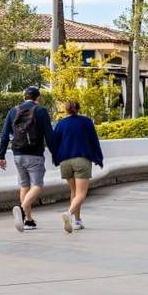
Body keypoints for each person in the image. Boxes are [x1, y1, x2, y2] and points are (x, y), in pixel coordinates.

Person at [0, 86, 56, 233]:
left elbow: (4, 135)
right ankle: (22, 210)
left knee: (24, 186)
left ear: (24, 97)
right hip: (34, 155)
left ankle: (28, 221)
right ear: (38, 98)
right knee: (37, 186)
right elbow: (49, 135)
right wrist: (55, 154)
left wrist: (1, 156)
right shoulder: (41, 111)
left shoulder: (13, 111)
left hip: (17, 155)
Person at [51, 99, 103, 233]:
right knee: (81, 193)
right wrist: (99, 158)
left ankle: (77, 221)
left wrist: (56, 160)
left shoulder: (61, 124)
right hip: (81, 160)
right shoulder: (86, 122)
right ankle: (68, 214)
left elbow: (55, 143)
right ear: (78, 108)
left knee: (74, 191)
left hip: (65, 161)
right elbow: (94, 141)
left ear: (66, 109)